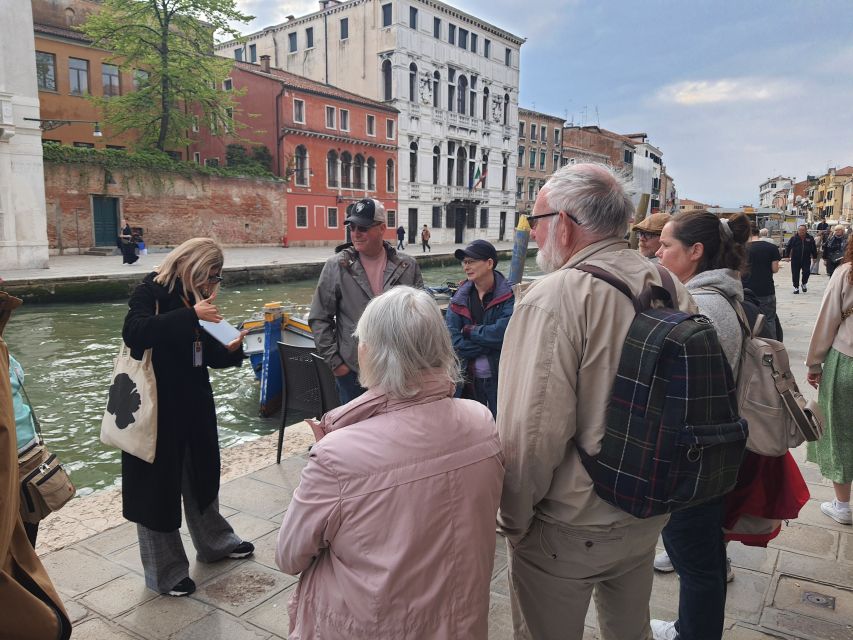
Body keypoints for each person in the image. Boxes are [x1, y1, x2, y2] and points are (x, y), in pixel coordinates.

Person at [497, 163, 695, 640]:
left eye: (537, 222)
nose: (536, 234)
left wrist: (513, 520)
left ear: (563, 224)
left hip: (569, 524)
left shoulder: (555, 296)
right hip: (647, 508)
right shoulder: (669, 285)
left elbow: (531, 432)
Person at [277, 286, 504, 639]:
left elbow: (289, 556)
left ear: (370, 352)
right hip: (462, 622)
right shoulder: (482, 422)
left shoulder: (338, 456)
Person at [121, 237, 253, 597]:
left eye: (217, 277)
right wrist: (192, 315)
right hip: (154, 410)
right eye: (211, 275)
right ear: (192, 265)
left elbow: (205, 353)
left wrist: (232, 349)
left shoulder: (195, 299)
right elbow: (134, 331)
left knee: (202, 476)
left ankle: (215, 543)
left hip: (193, 405)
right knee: (156, 491)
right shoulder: (150, 290)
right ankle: (166, 572)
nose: (213, 284)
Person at [652, 211, 752, 640]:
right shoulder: (720, 296)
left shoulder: (701, 304)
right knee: (703, 557)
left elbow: (681, 384)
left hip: (693, 452)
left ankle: (692, 633)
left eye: (666, 245)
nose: (657, 251)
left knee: (695, 560)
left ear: (695, 252)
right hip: (712, 446)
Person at [0, 292, 72, 640]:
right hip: (20, 467)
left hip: (19, 466)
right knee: (20, 556)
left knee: (19, 555)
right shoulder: (4, 352)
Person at [309, 198, 423, 404]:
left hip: (400, 370)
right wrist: (337, 364)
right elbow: (319, 318)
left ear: (382, 228)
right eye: (352, 227)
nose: (355, 233)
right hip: (353, 372)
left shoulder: (408, 266)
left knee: (396, 431)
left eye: (363, 227)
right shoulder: (337, 266)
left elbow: (421, 316)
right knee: (358, 432)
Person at [805, 237, 853, 526]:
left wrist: (814, 363)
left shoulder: (846, 273)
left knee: (839, 430)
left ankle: (843, 505)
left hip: (846, 361)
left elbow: (828, 319)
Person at [445, 239, 514, 418]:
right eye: (464, 262)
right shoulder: (459, 298)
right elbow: (453, 342)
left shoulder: (509, 295)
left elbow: (505, 333)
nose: (466, 267)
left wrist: (469, 331)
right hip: (467, 379)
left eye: (471, 261)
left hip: (501, 377)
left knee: (501, 424)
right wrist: (489, 342)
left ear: (489, 263)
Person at [9, 354, 40, 547]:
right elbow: (20, 377)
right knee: (29, 517)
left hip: (11, 450)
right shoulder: (7, 356)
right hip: (29, 446)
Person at [742, 223, 782, 340]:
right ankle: (773, 347)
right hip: (766, 289)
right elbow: (775, 269)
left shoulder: (742, 249)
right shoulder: (771, 247)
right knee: (769, 319)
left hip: (747, 291)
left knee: (749, 321)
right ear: (758, 233)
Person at [784, 224, 817, 294]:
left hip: (806, 259)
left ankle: (804, 283)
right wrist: (787, 256)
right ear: (797, 230)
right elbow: (788, 247)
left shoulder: (810, 238)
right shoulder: (793, 238)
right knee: (795, 273)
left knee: (806, 272)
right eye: (800, 230)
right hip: (795, 259)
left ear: (806, 230)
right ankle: (796, 287)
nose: (801, 231)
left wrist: (814, 257)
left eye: (803, 230)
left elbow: (813, 248)